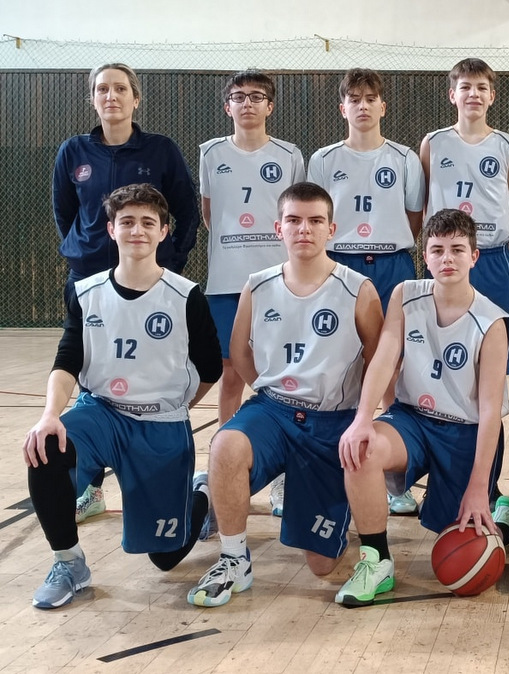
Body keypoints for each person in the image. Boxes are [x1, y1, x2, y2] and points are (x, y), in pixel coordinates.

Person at [24, 183, 221, 609]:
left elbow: (211, 369)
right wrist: (50, 414)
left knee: (165, 558)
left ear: (163, 232)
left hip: (160, 425)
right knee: (46, 448)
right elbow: (67, 358)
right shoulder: (85, 292)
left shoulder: (186, 296)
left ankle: (203, 494)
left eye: (148, 222)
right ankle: (69, 564)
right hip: (101, 413)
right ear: (111, 229)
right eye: (127, 222)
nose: (137, 230)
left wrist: (175, 405)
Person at [187, 182, 383, 608]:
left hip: (331, 421)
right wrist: (271, 388)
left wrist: (365, 418)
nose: (304, 229)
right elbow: (239, 352)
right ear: (279, 228)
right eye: (293, 220)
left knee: (321, 566)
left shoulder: (358, 289)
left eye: (315, 221)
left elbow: (379, 361)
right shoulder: (257, 285)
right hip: (274, 411)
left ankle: (340, 504)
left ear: (331, 229)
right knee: (226, 444)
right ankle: (233, 558)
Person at [336, 208, 509, 606]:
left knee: (469, 540)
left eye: (457, 250)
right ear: (425, 256)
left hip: (465, 433)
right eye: (437, 250)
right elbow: (384, 357)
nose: (447, 258)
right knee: (361, 450)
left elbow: (490, 413)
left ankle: (502, 509)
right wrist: (363, 419)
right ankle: (376, 561)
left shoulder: (491, 323)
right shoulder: (405, 294)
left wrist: (478, 487)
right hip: (413, 419)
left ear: (474, 256)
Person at [52, 63, 202, 523]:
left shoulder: (160, 150)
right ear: (92, 99)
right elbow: (65, 214)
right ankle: (91, 486)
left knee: (144, 374)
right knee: (90, 378)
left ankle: (158, 460)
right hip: (91, 282)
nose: (110, 96)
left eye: (120, 88)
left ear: (136, 98)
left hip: (147, 285)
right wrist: (84, 255)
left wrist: (166, 265)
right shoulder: (73, 151)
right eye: (102, 89)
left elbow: (186, 212)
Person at [310, 67, 428, 516]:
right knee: (339, 363)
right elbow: (316, 216)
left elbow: (414, 218)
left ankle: (396, 480)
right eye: (354, 99)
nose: (362, 105)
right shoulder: (323, 160)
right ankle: (336, 466)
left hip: (393, 262)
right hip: (340, 263)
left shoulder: (404, 158)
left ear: (383, 106)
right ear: (342, 108)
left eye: (369, 98)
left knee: (393, 365)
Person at [199, 69, 305, 428]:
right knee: (230, 371)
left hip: (277, 280)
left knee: (281, 365)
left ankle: (281, 448)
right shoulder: (211, 153)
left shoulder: (289, 155)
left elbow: (296, 215)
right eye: (239, 97)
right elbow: (210, 215)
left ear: (269, 106)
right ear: (227, 106)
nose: (247, 103)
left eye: (257, 96)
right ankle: (224, 444)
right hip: (227, 280)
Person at [421, 57, 509, 375]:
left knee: (495, 342)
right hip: (446, 257)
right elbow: (424, 201)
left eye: (482, 88)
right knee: (440, 342)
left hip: (492, 256)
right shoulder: (433, 143)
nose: (474, 94)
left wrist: (507, 240)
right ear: (452, 95)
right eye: (465, 87)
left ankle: (495, 406)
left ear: (492, 96)